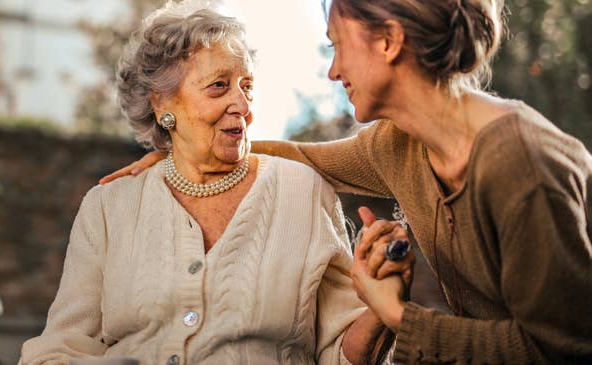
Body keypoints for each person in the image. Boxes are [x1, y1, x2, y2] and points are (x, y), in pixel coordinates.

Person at [101, 0, 592, 363]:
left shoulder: (520, 165)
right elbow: (301, 156)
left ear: (388, 41)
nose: (333, 71)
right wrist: (182, 153)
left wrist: (400, 317)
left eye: (337, 46)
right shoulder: (398, 144)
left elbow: (564, 348)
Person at [20, 2, 415, 365]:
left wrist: (383, 307)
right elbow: (60, 349)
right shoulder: (109, 206)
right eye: (219, 86)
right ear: (162, 104)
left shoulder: (303, 192)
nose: (243, 106)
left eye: (247, 86)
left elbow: (339, 354)